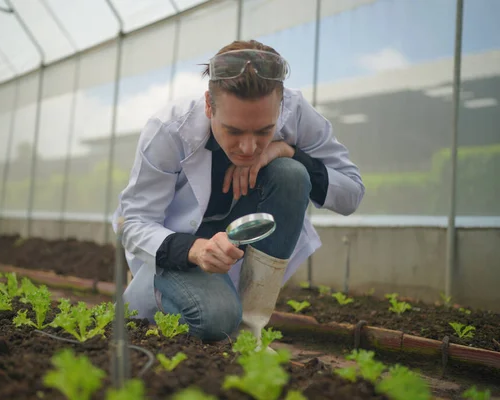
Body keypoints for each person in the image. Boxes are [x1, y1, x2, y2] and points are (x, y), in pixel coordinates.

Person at [112, 39, 365, 346]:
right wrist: (195, 250)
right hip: (179, 250)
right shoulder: (168, 130)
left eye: (263, 131)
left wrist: (284, 150)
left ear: (281, 107)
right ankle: (148, 298)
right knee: (216, 320)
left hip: (235, 244)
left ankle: (251, 332)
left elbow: (351, 193)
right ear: (209, 104)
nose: (248, 147)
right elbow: (133, 223)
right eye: (233, 131)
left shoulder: (296, 113)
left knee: (291, 173)